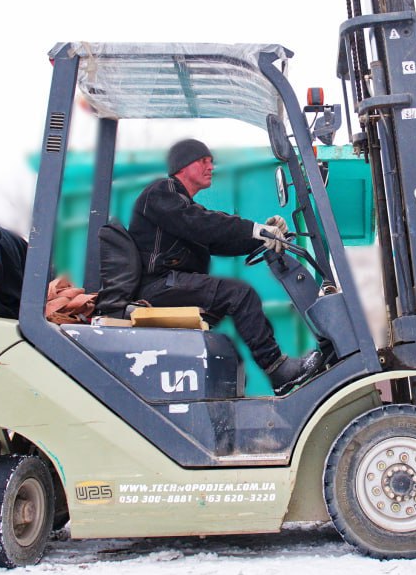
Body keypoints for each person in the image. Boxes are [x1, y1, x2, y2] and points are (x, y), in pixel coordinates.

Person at [128, 138, 324, 392]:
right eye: (203, 161)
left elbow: (217, 241)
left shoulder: (181, 205)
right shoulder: (161, 193)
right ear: (182, 166)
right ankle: (277, 370)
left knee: (232, 321)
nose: (211, 167)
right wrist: (254, 230)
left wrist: (262, 240)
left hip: (170, 284)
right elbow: (204, 224)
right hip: (157, 286)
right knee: (239, 295)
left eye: (211, 162)